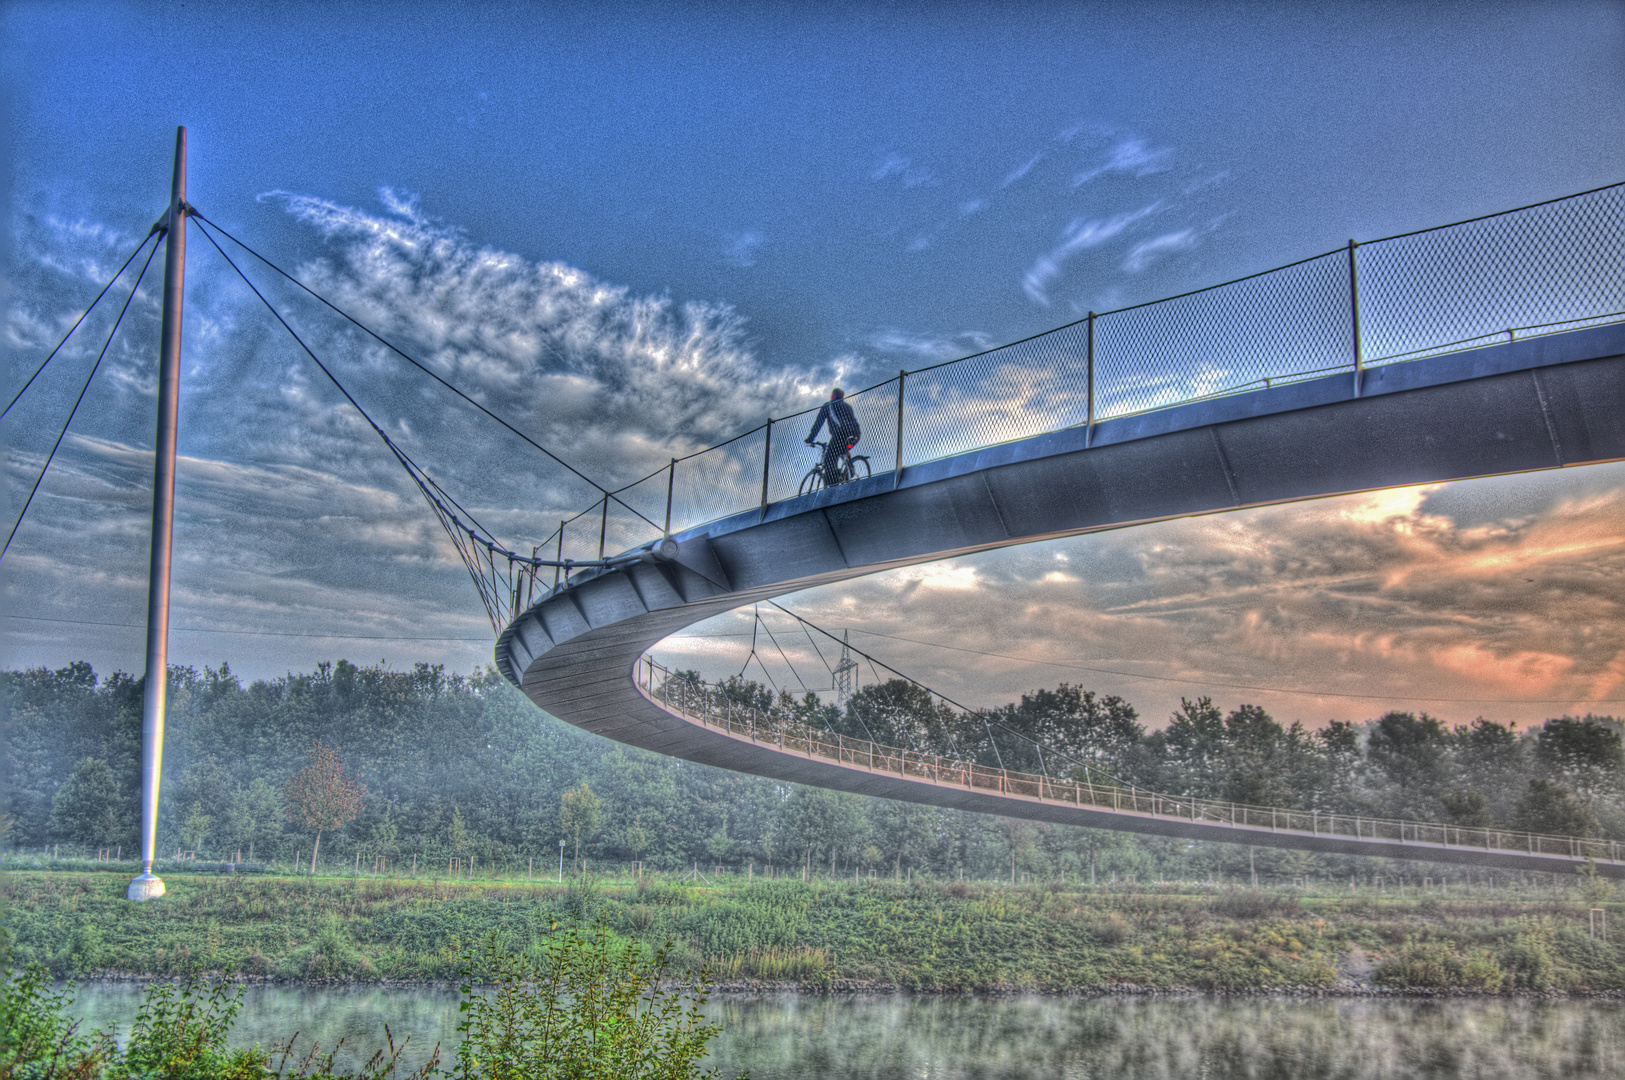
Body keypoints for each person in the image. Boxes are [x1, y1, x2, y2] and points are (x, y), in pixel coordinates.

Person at [806, 388, 861, 486]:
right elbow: (854, 421)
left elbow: (818, 423)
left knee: (829, 459)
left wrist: (810, 438)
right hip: (855, 434)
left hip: (841, 434)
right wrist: (857, 435)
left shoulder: (828, 406)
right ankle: (849, 469)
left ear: (833, 395)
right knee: (841, 450)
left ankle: (832, 485)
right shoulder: (847, 406)